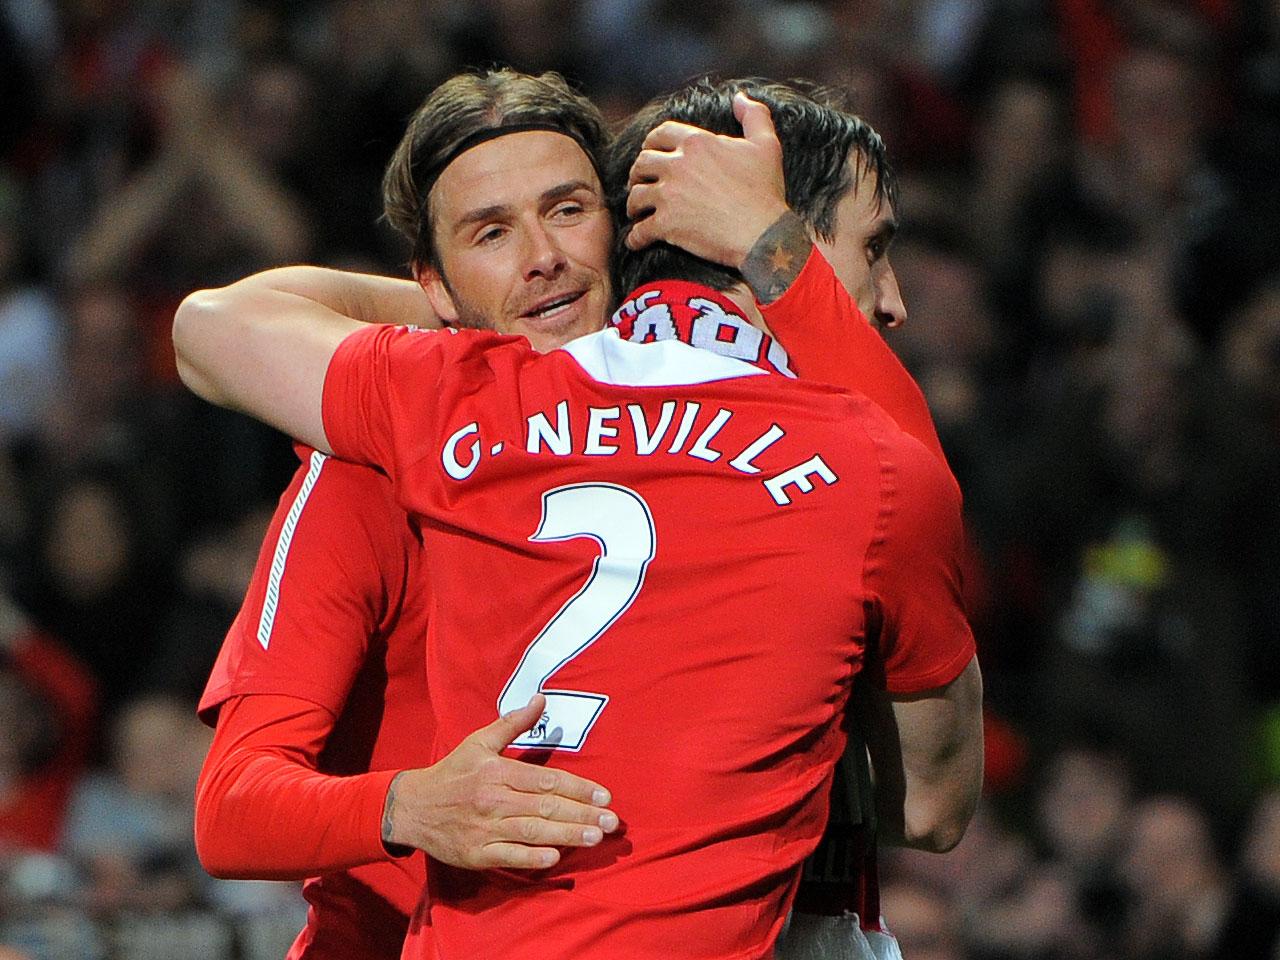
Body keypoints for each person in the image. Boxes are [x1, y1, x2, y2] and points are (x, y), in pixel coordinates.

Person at [173, 69, 982, 958]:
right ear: (436, 287)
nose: (542, 258)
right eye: (490, 235)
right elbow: (233, 805)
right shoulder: (396, 443)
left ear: (632, 228)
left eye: (567, 211)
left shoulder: (787, 462)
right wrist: (409, 804)